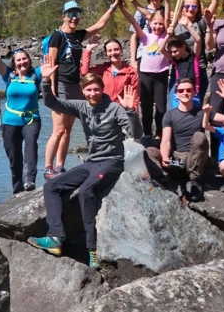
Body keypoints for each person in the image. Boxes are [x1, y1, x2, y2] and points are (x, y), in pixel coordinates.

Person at [29, 66, 141, 269]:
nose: (92, 93)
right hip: (92, 162)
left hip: (112, 161)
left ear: (101, 89)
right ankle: (55, 237)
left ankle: (92, 249)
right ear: (83, 91)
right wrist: (45, 82)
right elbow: (52, 102)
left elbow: (137, 134)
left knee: (86, 191)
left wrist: (130, 111)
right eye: (88, 90)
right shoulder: (81, 107)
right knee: (51, 187)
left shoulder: (114, 108)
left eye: (96, 89)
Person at [42, 0, 123, 180]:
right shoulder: (57, 36)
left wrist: (113, 5)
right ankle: (48, 167)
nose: (74, 18)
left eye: (77, 14)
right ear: (63, 16)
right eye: (70, 14)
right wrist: (52, 91)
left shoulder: (77, 35)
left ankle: (60, 166)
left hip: (75, 86)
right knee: (58, 129)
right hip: (61, 85)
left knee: (68, 130)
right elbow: (52, 64)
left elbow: (99, 25)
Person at [0, 20, 41, 193]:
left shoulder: (35, 74)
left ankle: (30, 181)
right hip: (10, 121)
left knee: (31, 144)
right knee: (14, 157)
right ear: (14, 63)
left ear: (29, 60)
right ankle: (17, 190)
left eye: (24, 59)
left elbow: (50, 65)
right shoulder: (8, 75)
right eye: (19, 60)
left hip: (31, 119)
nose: (22, 62)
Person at [145, 76, 210, 202]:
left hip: (193, 159)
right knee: (149, 151)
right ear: (176, 94)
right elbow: (166, 140)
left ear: (194, 92)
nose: (185, 93)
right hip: (175, 158)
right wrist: (164, 157)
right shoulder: (169, 115)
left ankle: (195, 182)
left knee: (199, 136)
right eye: (181, 91)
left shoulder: (203, 113)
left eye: (188, 90)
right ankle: (162, 180)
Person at [122, 5, 171, 143]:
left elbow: (168, 19)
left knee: (161, 106)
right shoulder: (146, 37)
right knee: (146, 106)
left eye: (160, 24)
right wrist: (122, 8)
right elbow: (133, 21)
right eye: (155, 23)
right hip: (145, 74)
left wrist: (167, 1)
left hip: (161, 74)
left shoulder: (167, 35)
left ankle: (159, 133)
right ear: (150, 23)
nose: (158, 26)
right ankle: (148, 133)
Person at [79, 33, 139, 104]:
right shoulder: (101, 69)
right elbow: (84, 72)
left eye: (116, 49)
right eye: (109, 51)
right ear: (106, 53)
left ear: (121, 50)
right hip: (103, 109)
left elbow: (135, 96)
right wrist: (88, 49)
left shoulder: (131, 72)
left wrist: (132, 112)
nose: (113, 53)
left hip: (121, 111)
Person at [126, 0, 168, 69]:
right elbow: (134, 36)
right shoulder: (139, 13)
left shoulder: (166, 12)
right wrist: (133, 60)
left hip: (162, 55)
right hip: (143, 53)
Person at [165, 35, 205, 111]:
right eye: (171, 52)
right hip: (179, 93)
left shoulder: (194, 57)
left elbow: (198, 40)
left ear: (183, 47)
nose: (173, 54)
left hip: (193, 93)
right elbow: (161, 49)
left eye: (175, 51)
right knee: (176, 114)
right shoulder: (176, 60)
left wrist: (187, 25)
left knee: (194, 115)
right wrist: (168, 35)